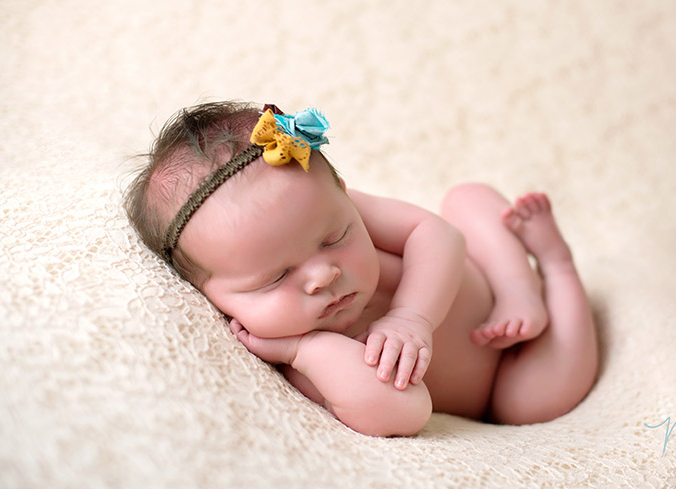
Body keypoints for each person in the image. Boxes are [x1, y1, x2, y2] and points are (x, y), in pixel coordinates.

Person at [125, 101, 598, 436]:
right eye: (275, 279)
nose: (322, 275)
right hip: (508, 382)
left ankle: (533, 279)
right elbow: (403, 413)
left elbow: (439, 235)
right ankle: (556, 268)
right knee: (536, 405)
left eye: (335, 238)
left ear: (342, 195)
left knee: (466, 200)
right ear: (209, 295)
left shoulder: (320, 206)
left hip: (490, 281)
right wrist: (303, 349)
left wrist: (413, 317)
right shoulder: (306, 358)